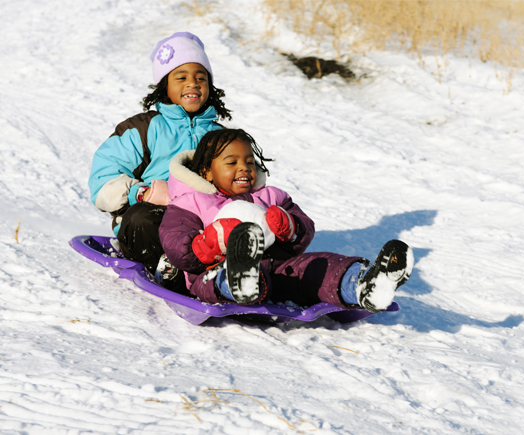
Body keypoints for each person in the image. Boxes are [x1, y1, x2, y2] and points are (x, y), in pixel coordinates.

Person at [159, 129, 414, 313]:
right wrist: (210, 244)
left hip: (279, 269)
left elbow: (304, 231)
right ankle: (239, 282)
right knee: (219, 278)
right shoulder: (192, 202)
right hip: (211, 274)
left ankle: (364, 285)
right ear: (206, 171)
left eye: (249, 161)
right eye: (232, 162)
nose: (245, 168)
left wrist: (290, 227)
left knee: (318, 266)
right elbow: (176, 243)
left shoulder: (271, 196)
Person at [87, 32, 231, 286]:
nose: (193, 84)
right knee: (141, 217)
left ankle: (234, 274)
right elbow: (103, 179)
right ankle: (169, 269)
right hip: (155, 218)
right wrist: (141, 194)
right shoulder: (144, 128)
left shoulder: (220, 136)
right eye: (182, 77)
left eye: (201, 78)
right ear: (165, 85)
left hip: (202, 221)